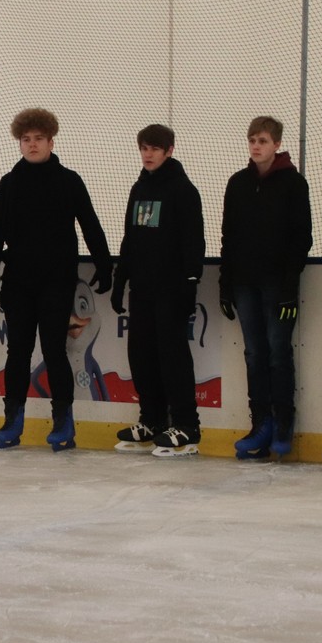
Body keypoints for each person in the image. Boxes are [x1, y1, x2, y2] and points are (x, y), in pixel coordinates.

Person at [0, 108, 112, 451]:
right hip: (18, 282)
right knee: (18, 350)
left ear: (51, 142)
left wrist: (104, 264)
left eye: (39, 138)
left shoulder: (69, 181)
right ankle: (13, 419)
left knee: (54, 349)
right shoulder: (9, 184)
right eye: (26, 139)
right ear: (19, 143)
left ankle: (63, 420)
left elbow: (90, 223)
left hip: (56, 280)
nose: (32, 144)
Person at [218, 117, 312, 461]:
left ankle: (283, 423)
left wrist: (289, 286)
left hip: (277, 285)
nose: (256, 146)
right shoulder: (238, 183)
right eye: (252, 140)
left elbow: (301, 237)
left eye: (262, 141)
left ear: (276, 144)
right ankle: (261, 423)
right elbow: (229, 236)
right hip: (244, 283)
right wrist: (225, 283)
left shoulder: (293, 184)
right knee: (254, 353)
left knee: (277, 352)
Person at [110, 124, 206, 457]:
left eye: (154, 148)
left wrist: (190, 282)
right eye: (143, 148)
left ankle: (187, 425)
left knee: (172, 356)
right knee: (141, 354)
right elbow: (130, 238)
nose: (147, 154)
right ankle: (151, 419)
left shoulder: (183, 190)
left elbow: (194, 240)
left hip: (171, 288)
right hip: (142, 289)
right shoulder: (139, 188)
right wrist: (120, 279)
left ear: (169, 151)